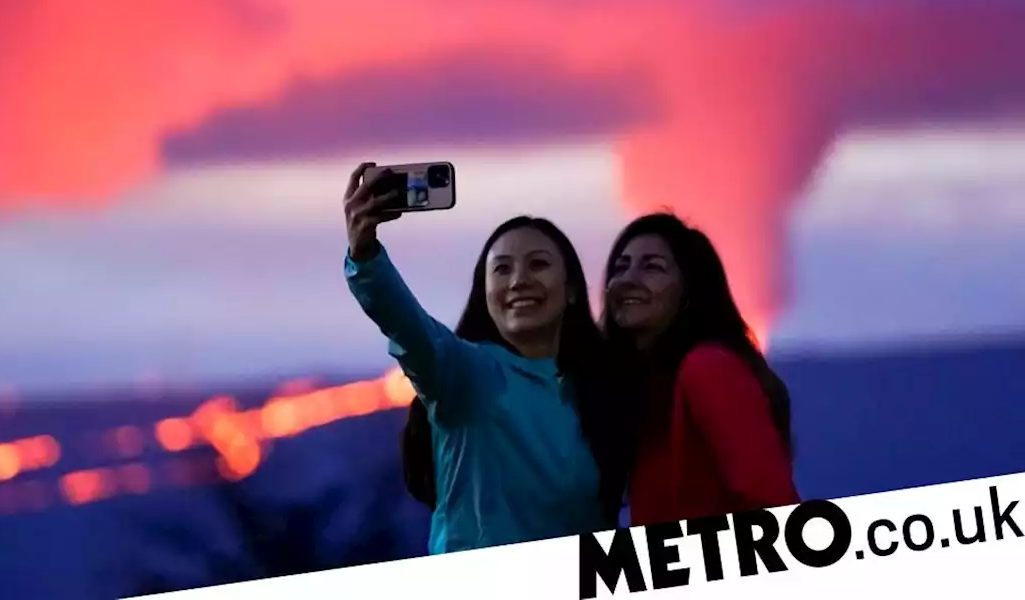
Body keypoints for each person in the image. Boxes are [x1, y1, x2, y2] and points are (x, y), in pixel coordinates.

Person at [341, 163, 633, 553]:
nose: (518, 280)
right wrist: (366, 257)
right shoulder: (470, 376)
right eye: (502, 269)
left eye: (539, 264)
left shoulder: (601, 395)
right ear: (485, 292)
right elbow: (409, 328)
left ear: (573, 291)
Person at [600, 212, 799, 526]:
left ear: (690, 291)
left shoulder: (707, 368)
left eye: (652, 267)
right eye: (621, 267)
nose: (628, 280)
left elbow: (771, 501)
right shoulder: (643, 390)